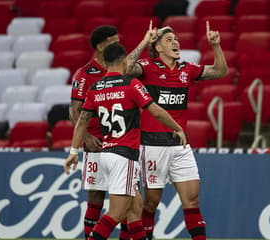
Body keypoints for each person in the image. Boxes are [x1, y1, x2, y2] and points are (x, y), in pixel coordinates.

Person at [64, 42, 187, 240]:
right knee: (116, 213)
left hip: (105, 155)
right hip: (124, 155)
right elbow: (154, 109)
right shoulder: (131, 84)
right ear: (124, 61)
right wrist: (177, 127)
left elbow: (82, 122)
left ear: (105, 61)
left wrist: (72, 152)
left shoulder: (95, 87)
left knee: (134, 209)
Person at [125, 21, 228, 240]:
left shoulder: (186, 69)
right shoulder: (148, 67)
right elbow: (125, 68)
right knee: (151, 203)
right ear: (158, 48)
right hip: (152, 145)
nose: (176, 43)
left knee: (192, 200)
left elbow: (220, 71)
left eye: (177, 40)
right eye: (169, 40)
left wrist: (216, 46)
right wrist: (145, 41)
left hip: (181, 146)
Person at [69, 24, 157, 240]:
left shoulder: (119, 68)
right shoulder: (84, 75)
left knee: (130, 203)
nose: (118, 44)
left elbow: (131, 61)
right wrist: (87, 138)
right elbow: (75, 111)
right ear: (100, 46)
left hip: (120, 144)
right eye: (113, 41)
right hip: (98, 144)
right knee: (98, 197)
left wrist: (146, 41)